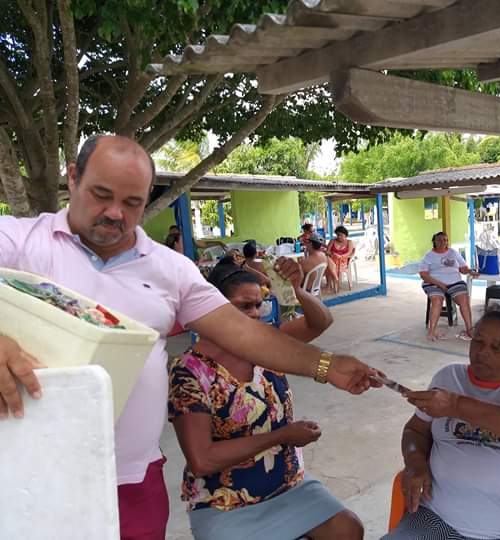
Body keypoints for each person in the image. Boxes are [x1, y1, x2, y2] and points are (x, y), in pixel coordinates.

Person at [0, 134, 380, 540]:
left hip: (133, 478)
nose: (114, 213)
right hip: (25, 472)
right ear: (73, 178)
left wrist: (327, 366)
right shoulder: (20, 241)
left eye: (132, 202)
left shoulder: (170, 269)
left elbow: (242, 332)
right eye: (101, 194)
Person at [168, 261, 363, 540]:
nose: (255, 313)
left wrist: (297, 289)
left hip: (289, 485)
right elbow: (202, 460)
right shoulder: (190, 371)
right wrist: (282, 436)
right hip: (224, 501)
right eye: (244, 306)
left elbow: (321, 321)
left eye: (258, 305)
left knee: (348, 528)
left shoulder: (267, 347)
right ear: (215, 309)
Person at [383, 309, 500, 540]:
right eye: (478, 341)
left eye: (496, 347)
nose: (482, 352)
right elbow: (415, 430)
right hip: (435, 519)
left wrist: (455, 405)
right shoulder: (448, 377)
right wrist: (415, 463)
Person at [419, 232, 479, 342]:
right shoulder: (429, 256)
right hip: (433, 282)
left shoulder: (453, 253)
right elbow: (423, 274)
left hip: (454, 282)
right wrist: (439, 284)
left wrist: (470, 271)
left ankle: (469, 330)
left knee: (464, 300)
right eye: (440, 240)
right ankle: (431, 332)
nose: (443, 242)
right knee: (437, 300)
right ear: (434, 242)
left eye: (445, 240)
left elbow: (463, 269)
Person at [325, 226, 355, 292]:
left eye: (341, 235)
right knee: (327, 262)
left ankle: (330, 284)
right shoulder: (332, 241)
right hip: (332, 259)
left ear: (345, 235)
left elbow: (349, 253)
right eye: (338, 235)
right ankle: (334, 279)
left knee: (328, 265)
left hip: (343, 261)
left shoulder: (349, 242)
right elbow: (327, 251)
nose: (339, 237)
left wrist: (340, 256)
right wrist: (333, 254)